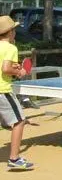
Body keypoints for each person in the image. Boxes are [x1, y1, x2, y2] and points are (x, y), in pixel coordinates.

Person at [0, 16, 34, 170]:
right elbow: (6, 68)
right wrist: (20, 71)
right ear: (10, 32)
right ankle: (14, 158)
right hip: (3, 91)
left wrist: (15, 69)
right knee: (19, 120)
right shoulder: (11, 48)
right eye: (14, 30)